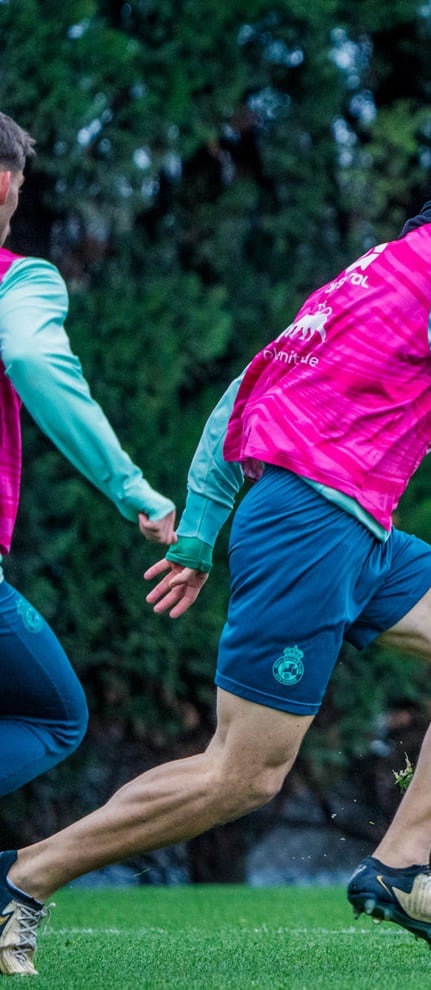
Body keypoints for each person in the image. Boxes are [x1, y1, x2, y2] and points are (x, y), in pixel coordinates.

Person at [0, 119, 431, 977]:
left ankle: (400, 865)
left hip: (351, 525)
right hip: (312, 527)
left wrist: (207, 529)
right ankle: (24, 879)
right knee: (242, 774)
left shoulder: (370, 269)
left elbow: (237, 397)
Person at [0, 109, 178, 802]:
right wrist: (133, 487)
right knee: (55, 716)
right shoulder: (19, 280)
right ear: (6, 183)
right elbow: (33, 359)